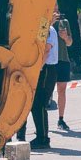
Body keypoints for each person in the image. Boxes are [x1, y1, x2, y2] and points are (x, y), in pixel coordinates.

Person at [17, 19, 59, 150]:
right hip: (41, 69)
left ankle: (43, 138)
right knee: (30, 103)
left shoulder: (47, 29)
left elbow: (45, 50)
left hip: (45, 69)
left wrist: (35, 70)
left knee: (39, 104)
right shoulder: (41, 27)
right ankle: (22, 136)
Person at [53, 7, 73, 129]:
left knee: (62, 89)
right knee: (46, 91)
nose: (56, 13)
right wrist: (50, 22)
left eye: (57, 10)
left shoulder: (64, 22)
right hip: (49, 60)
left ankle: (61, 119)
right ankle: (42, 121)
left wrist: (65, 37)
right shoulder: (43, 21)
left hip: (62, 59)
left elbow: (70, 43)